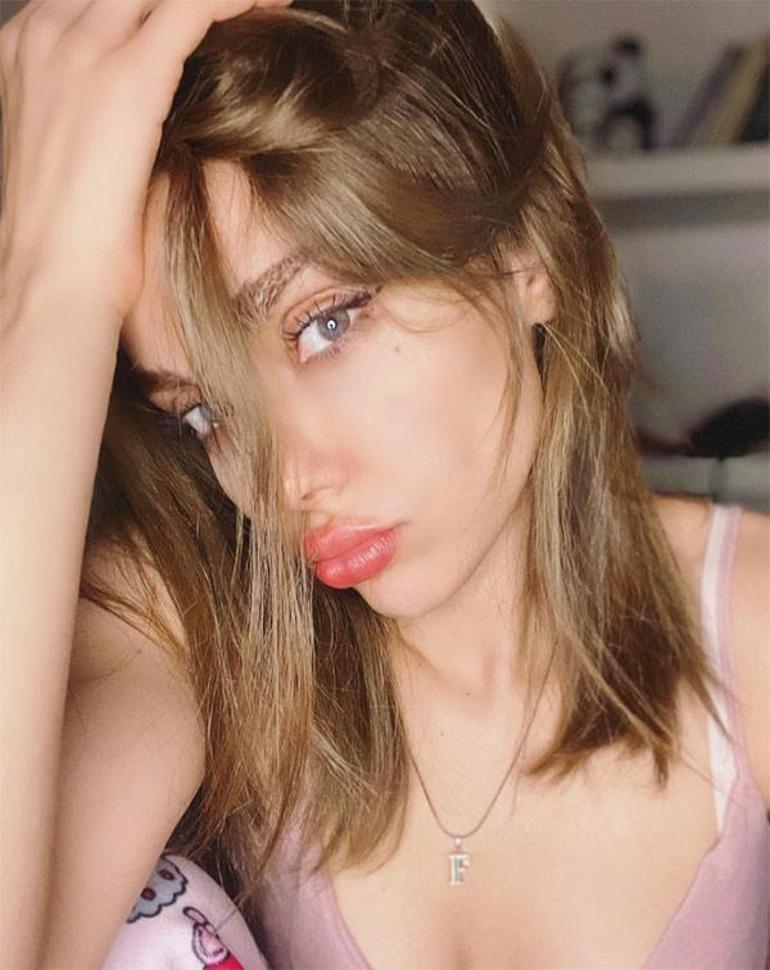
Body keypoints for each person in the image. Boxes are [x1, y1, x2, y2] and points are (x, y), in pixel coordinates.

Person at [1, 1, 768, 968]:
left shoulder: (746, 617)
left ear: (523, 252)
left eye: (326, 324)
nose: (285, 480)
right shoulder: (195, 622)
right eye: (206, 412)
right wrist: (51, 288)